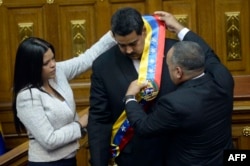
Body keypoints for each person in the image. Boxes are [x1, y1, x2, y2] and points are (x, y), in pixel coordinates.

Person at [87, 7, 208, 166]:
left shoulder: (175, 52)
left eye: (133, 43)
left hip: (176, 152)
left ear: (143, 31)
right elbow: (99, 119)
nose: (128, 50)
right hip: (133, 156)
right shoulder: (103, 65)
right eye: (122, 45)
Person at [124, 11, 234, 166]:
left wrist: (130, 98)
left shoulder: (174, 103)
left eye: (168, 65)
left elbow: (144, 127)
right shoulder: (223, 78)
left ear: (178, 72)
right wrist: (178, 27)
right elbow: (208, 53)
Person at [12, 31, 116, 166]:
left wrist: (114, 33)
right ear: (31, 66)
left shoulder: (57, 72)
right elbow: (49, 140)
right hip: (46, 163)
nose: (53, 64)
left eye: (53, 58)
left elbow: (87, 58)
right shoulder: (26, 97)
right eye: (46, 63)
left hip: (69, 159)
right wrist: (80, 124)